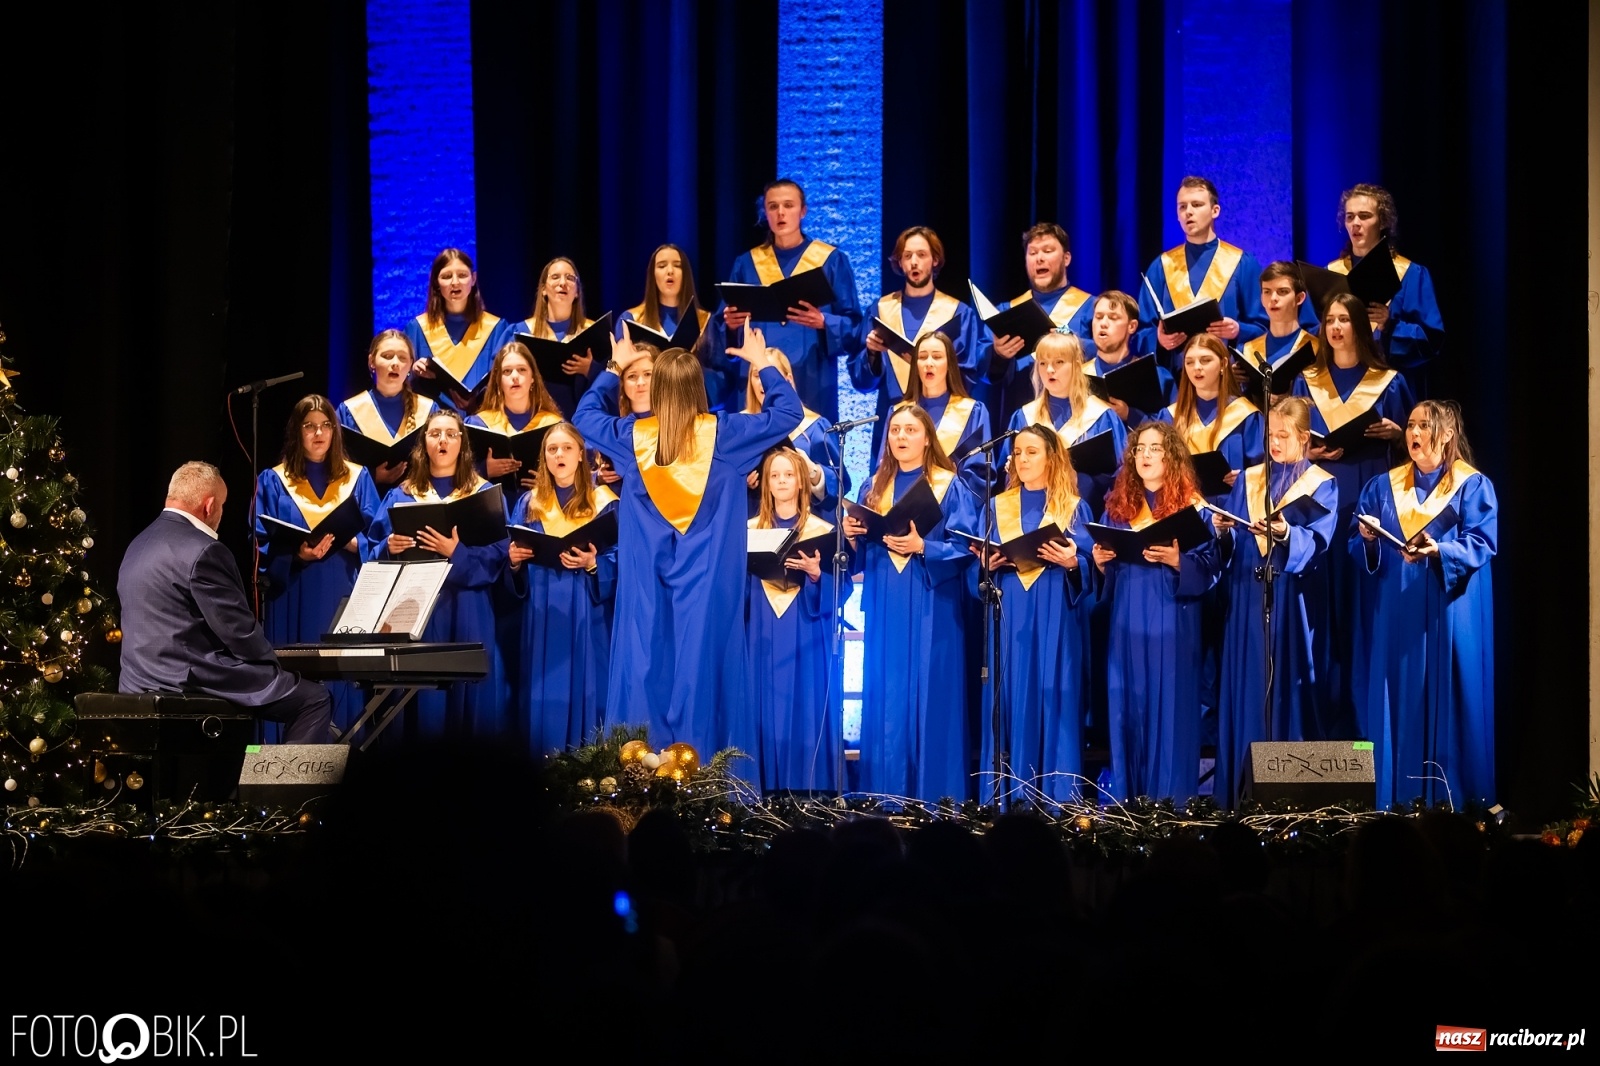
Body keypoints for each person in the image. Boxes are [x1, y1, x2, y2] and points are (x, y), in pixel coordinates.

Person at [573, 329, 802, 758]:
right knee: (703, 669)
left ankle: (640, 774)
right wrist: (762, 362)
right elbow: (788, 413)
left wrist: (613, 369)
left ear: (656, 390)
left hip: (646, 586)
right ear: (699, 388)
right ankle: (709, 778)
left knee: (647, 666)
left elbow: (584, 416)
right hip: (709, 585)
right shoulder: (729, 434)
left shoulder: (632, 438)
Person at [117, 462, 332, 743]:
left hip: (136, 683)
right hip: (190, 680)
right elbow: (238, 631)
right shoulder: (204, 550)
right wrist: (273, 665)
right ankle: (279, 786)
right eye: (222, 506)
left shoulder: (137, 544)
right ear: (209, 506)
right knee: (313, 699)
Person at [1352, 401, 1496, 809]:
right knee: (1396, 696)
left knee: (1449, 694)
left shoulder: (1472, 485)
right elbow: (1360, 547)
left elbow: (1483, 543)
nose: (1414, 433)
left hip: (1449, 607)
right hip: (1396, 608)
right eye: (1411, 425)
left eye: (1424, 426)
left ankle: (1455, 804)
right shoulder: (1383, 487)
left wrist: (1441, 550)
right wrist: (1365, 538)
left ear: (1447, 434)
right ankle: (1395, 800)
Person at [1293, 290, 1412, 736]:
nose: (1336, 327)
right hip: (1321, 501)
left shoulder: (1390, 382)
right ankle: (1323, 732)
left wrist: (1397, 432)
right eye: (1330, 320)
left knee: (1364, 613)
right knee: (1323, 616)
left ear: (1361, 326)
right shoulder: (1306, 383)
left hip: (1369, 498)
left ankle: (1368, 730)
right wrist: (1311, 447)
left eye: (1345, 319)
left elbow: (1411, 454)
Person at [844, 405, 977, 801]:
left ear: (926, 437)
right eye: (895, 429)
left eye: (910, 429)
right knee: (886, 695)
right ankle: (885, 796)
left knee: (932, 694)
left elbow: (966, 547)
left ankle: (937, 799)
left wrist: (925, 547)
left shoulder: (948, 485)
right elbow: (862, 552)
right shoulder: (874, 487)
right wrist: (854, 535)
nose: (901, 436)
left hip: (932, 601)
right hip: (886, 599)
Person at [1211, 397, 1338, 809]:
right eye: (1271, 436)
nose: (1275, 443)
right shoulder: (1249, 480)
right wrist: (1222, 530)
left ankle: (1285, 796)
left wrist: (1285, 534)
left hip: (1291, 600)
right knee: (1247, 684)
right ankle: (1239, 794)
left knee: (1284, 687)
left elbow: (1319, 543)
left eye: (1284, 436)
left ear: (1304, 437)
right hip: (1247, 597)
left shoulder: (1321, 483)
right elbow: (1227, 551)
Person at [1090, 421, 1220, 802]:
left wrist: (1181, 561)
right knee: (1127, 708)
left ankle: (1171, 805)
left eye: (1155, 448)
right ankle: (1129, 803)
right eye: (1139, 449)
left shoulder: (1192, 507)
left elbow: (1212, 567)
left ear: (1172, 456)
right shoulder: (1117, 507)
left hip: (1174, 616)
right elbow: (1108, 574)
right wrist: (1100, 562)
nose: (1145, 455)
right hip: (1127, 618)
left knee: (1172, 708)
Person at [366, 408, 512, 739]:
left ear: (463, 442)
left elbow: (497, 557)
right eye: (435, 434)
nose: (442, 440)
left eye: (450, 433)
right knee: (418, 700)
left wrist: (455, 553)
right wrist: (390, 545)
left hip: (468, 607)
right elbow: (373, 549)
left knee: (465, 696)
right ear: (424, 444)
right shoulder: (402, 494)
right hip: (416, 609)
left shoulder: (482, 494)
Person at [968, 425, 1093, 805]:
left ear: (1052, 458)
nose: (1022, 459)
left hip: (1056, 610)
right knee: (1009, 698)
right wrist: (987, 566)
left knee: (1053, 695)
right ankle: (1006, 798)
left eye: (1031, 452)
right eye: (1017, 452)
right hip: (1010, 614)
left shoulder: (1073, 507)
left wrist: (1074, 563)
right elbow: (979, 575)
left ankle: (1058, 798)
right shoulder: (996, 506)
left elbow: (1087, 565)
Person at [254, 396, 381, 734]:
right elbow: (259, 539)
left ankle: (343, 775)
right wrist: (296, 555)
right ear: (297, 432)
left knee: (339, 682)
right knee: (293, 681)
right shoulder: (273, 480)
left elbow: (380, 535)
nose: (318, 433)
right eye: (309, 426)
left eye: (326, 425)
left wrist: (355, 542)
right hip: (292, 590)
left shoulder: (357, 478)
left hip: (341, 589)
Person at [507, 423, 619, 756]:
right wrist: (513, 560)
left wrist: (593, 564)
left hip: (588, 606)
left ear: (581, 455)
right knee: (544, 685)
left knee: (589, 686)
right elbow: (512, 556)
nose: (560, 455)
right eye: (552, 449)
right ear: (544, 457)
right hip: (543, 607)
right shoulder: (530, 503)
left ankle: (589, 770)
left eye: (567, 448)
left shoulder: (604, 500)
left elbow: (624, 554)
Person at [710, 178, 862, 421]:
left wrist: (824, 321)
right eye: (773, 206)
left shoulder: (831, 260)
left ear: (803, 211)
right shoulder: (747, 263)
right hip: (756, 378)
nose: (780, 213)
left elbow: (855, 327)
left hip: (812, 378)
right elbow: (721, 331)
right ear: (766, 213)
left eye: (788, 205)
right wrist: (731, 326)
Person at [744, 447, 838, 793]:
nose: (782, 481)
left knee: (805, 703)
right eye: (774, 476)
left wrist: (817, 575)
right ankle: (762, 788)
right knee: (760, 702)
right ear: (765, 484)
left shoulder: (823, 529)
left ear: (801, 482)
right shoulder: (749, 530)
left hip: (806, 628)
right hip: (762, 629)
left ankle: (808, 790)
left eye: (788, 475)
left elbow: (840, 592)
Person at [850, 225, 986, 457]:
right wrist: (872, 353)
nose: (914, 262)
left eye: (921, 255)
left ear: (934, 260)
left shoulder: (958, 313)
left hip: (943, 418)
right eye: (907, 256)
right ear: (900, 263)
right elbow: (862, 382)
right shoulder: (881, 310)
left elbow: (969, 373)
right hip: (893, 416)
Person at [1327, 184, 1446, 400]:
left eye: (1364, 216)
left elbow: (1431, 339)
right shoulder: (1331, 274)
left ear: (1382, 222)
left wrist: (1389, 324)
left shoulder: (1410, 274)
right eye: (1350, 217)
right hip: (1340, 387)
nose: (1356, 223)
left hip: (1391, 388)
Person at [1135, 177, 1268, 370]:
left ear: (1215, 211)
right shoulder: (1162, 266)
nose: (1188, 211)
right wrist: (1159, 339)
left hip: (1227, 379)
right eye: (1182, 207)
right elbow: (1141, 332)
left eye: (1196, 205)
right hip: (1176, 381)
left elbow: (1264, 328)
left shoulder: (1242, 263)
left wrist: (1238, 330)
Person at [1004, 332, 1126, 515]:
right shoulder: (1024, 417)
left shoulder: (1101, 416)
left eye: (1059, 362)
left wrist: (1081, 480)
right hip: (1032, 518)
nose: (1049, 370)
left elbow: (1122, 475)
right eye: (1043, 363)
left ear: (1076, 365)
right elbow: (1009, 482)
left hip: (1084, 515)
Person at [987, 222, 1096, 427]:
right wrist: (998, 355)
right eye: (1033, 252)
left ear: (1066, 258)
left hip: (1077, 421)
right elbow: (983, 369)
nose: (1040, 258)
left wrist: (1072, 342)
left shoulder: (1092, 308)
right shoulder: (1006, 311)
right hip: (1022, 420)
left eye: (1048, 251)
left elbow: (1105, 355)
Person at [1161, 334, 1263, 507]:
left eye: (1205, 360)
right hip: (1186, 511)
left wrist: (1244, 476)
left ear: (1223, 364)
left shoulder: (1246, 415)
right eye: (1190, 362)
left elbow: (1263, 468)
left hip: (1235, 509)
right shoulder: (1171, 416)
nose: (1196, 368)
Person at [743, 349, 845, 517]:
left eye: (770, 374)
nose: (763, 382)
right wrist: (743, 483)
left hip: (805, 528)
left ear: (787, 380)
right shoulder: (740, 427)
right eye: (756, 375)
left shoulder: (815, 428)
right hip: (754, 526)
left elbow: (839, 487)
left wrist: (812, 471)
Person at [405, 248, 511, 408]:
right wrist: (412, 370)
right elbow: (401, 383)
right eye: (447, 277)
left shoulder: (497, 329)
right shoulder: (417, 329)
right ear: (436, 282)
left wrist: (477, 400)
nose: (455, 282)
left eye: (462, 275)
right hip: (433, 424)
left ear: (473, 279)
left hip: (483, 421)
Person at [337, 329, 437, 491]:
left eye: (402, 358)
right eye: (387, 356)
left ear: (411, 364)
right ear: (371, 361)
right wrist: (371, 476)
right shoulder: (349, 411)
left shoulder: (429, 410)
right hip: (367, 506)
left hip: (416, 502)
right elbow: (334, 464)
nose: (395, 363)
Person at [464, 341, 564, 494]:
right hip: (494, 509)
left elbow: (578, 467)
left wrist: (552, 481)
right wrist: (484, 470)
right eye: (507, 371)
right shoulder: (477, 424)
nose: (515, 377)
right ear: (498, 380)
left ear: (533, 378)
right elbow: (455, 473)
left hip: (543, 510)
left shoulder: (555, 425)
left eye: (522, 370)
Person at [901, 331, 991, 495]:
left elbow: (980, 474)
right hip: (904, 503)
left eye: (936, 357)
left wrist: (951, 479)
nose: (929, 363)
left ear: (949, 363)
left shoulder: (973, 411)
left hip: (955, 508)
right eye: (922, 357)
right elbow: (885, 467)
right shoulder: (899, 413)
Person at [514, 256, 602, 417]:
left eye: (570, 278)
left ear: (577, 292)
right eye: (555, 277)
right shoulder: (521, 332)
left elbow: (615, 367)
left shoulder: (595, 331)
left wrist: (592, 369)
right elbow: (499, 372)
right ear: (543, 290)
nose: (563, 283)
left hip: (582, 422)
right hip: (534, 420)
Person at [1083, 290, 1176, 428]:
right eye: (1098, 317)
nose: (1103, 324)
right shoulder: (1077, 376)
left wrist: (1130, 415)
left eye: (1113, 318)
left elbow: (1174, 429)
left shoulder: (1158, 376)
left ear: (1132, 326)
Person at [1237, 261, 1317, 403]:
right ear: (1261, 298)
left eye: (1282, 292)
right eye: (1267, 292)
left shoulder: (1318, 349)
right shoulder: (1247, 351)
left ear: (1299, 298)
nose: (1273, 299)